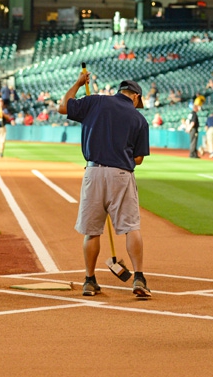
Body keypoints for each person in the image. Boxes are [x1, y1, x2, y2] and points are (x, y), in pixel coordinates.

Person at [57, 75, 151, 299]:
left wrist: (79, 83)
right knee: (131, 227)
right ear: (136, 97)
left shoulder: (95, 101)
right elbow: (138, 159)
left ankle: (89, 280)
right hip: (121, 174)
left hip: (93, 171)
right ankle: (138, 277)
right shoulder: (139, 119)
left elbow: (63, 106)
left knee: (91, 232)